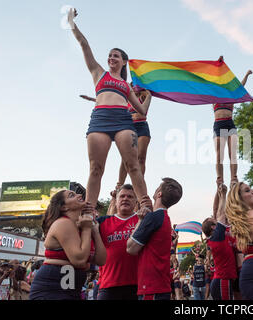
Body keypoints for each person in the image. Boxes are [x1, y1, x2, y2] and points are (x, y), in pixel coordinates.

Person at [68, 8, 149, 206]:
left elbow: (142, 110)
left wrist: (150, 95)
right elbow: (84, 44)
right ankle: (89, 209)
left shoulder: (126, 86)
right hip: (100, 120)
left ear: (123, 62)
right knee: (96, 168)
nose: (111, 58)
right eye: (110, 55)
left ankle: (145, 205)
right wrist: (71, 23)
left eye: (116, 56)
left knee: (133, 165)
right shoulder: (98, 72)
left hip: (123, 120)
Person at [29, 190, 106, 300]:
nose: (80, 195)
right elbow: (79, 260)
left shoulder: (82, 225)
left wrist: (95, 231)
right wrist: (86, 229)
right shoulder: (63, 223)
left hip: (71, 289)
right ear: (63, 207)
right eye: (72, 195)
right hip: (51, 289)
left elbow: (101, 260)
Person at [127, 178, 183, 300]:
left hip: (151, 288)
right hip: (159, 286)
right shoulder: (164, 217)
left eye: (158, 187)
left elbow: (130, 248)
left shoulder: (153, 217)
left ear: (159, 194)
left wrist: (140, 221)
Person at [96, 184, 140, 300]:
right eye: (122, 196)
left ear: (136, 201)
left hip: (137, 286)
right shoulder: (102, 222)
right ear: (116, 201)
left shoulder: (143, 221)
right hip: (108, 286)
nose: (125, 198)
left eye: (130, 197)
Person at [213, 65, 252, 187]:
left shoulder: (232, 97)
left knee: (232, 153)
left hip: (230, 124)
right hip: (219, 125)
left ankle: (234, 178)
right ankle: (220, 179)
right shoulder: (214, 97)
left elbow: (240, 87)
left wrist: (246, 75)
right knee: (219, 155)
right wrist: (219, 66)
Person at [202, 184, 238, 300]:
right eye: (213, 220)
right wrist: (223, 195)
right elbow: (221, 214)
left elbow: (218, 211)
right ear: (213, 227)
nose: (215, 217)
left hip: (224, 279)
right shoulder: (216, 237)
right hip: (222, 280)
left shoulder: (220, 236)